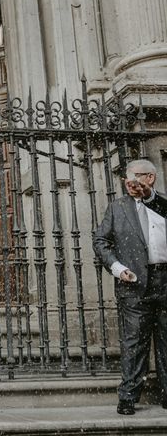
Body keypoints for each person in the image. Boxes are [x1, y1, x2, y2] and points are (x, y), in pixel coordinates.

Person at [93, 159, 167, 415]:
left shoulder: (163, 205)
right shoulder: (117, 208)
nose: (130, 183)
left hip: (165, 280)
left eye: (136, 177)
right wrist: (117, 268)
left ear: (150, 178)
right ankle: (128, 396)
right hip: (134, 284)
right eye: (127, 178)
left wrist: (151, 198)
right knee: (134, 343)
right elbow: (101, 241)